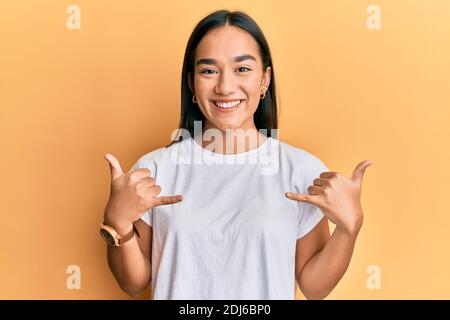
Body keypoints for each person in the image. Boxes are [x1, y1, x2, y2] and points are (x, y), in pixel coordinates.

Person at [100, 10, 373, 300]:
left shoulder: (300, 170)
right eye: (209, 71)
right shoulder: (156, 169)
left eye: (242, 69)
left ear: (264, 80)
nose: (225, 87)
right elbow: (134, 283)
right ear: (192, 82)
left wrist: (349, 227)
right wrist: (117, 222)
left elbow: (315, 287)